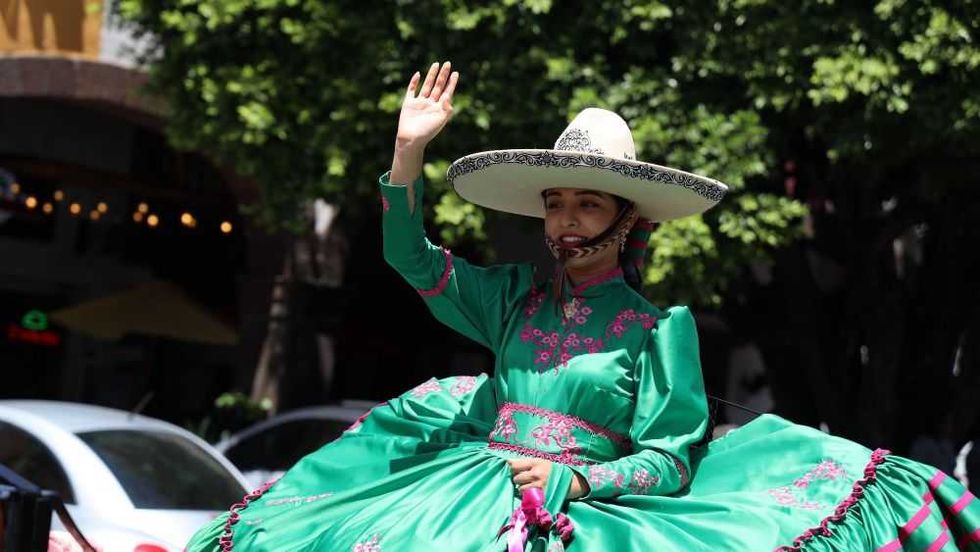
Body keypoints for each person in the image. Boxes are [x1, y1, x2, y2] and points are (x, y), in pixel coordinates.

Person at [187, 62, 980, 551]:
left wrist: (579, 483)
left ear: (626, 219)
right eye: (556, 203)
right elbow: (411, 258)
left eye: (587, 204)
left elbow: (670, 459)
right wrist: (408, 154)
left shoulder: (660, 331)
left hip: (579, 512)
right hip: (463, 496)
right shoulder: (510, 299)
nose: (565, 220)